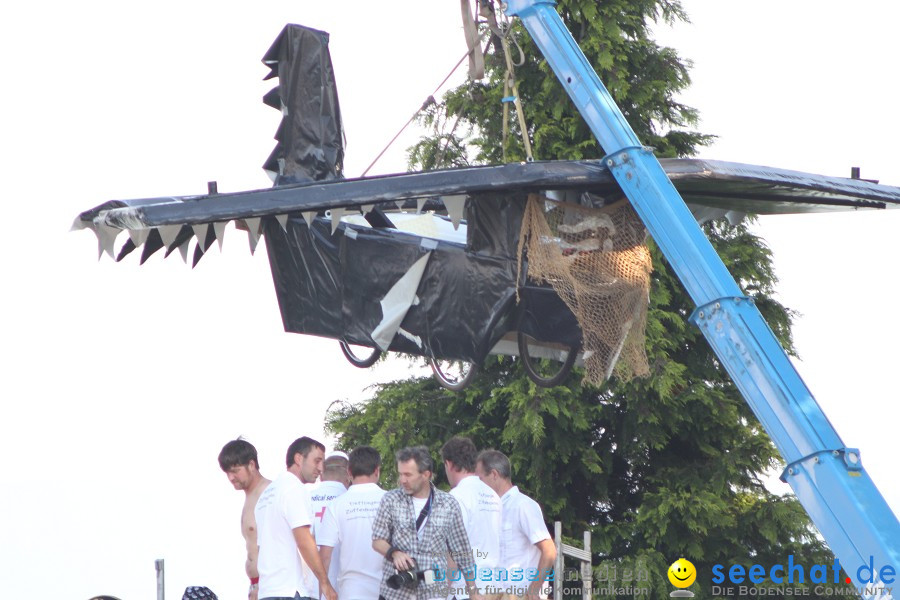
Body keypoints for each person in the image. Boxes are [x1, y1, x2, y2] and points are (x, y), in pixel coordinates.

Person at [372, 446, 479, 600]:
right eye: (400, 474)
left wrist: (473, 591)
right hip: (396, 594)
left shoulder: (448, 504)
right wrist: (395, 554)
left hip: (434, 593)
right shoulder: (390, 500)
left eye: (408, 474)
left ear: (426, 474)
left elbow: (462, 551)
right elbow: (377, 541)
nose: (402, 480)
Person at [254, 436, 337, 600]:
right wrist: (325, 584)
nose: (321, 468)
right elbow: (304, 540)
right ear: (299, 458)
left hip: (267, 591)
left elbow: (261, 548)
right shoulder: (293, 488)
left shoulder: (266, 494)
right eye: (317, 461)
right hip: (290, 591)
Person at [475, 450, 556, 600]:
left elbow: (549, 550)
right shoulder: (491, 510)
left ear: (494, 474)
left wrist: (533, 590)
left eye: (480, 479)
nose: (477, 486)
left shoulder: (523, 505)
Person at [317, 446, 387, 600]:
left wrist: (324, 590)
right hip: (388, 591)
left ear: (349, 472)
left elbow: (325, 556)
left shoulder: (336, 505)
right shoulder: (392, 501)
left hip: (351, 592)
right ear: (377, 470)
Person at [440, 437, 502, 600]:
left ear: (449, 464)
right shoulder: (493, 495)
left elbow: (453, 554)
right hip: (493, 589)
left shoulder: (455, 498)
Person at [218, 438, 271, 600]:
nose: (231, 477)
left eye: (235, 470)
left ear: (252, 465)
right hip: (257, 584)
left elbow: (273, 544)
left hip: (271, 585)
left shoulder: (268, 494)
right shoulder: (249, 496)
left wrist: (262, 585)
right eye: (227, 472)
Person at [309, 451, 351, 598]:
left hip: (307, 590)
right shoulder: (349, 501)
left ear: (321, 475)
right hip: (343, 590)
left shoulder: (303, 499)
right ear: (349, 475)